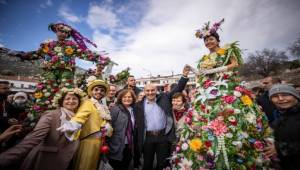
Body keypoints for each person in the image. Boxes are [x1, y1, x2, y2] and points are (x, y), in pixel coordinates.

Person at [172, 19, 272, 169]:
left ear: (217, 40)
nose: (208, 42)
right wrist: (192, 70)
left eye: (211, 39)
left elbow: (235, 64)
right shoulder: (204, 58)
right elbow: (201, 74)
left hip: (227, 87)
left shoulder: (227, 50)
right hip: (208, 90)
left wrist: (215, 70)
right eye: (206, 40)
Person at [14, 23, 111, 119]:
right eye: (61, 31)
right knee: (45, 93)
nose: (64, 34)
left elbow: (84, 53)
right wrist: (22, 55)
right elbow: (37, 54)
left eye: (66, 33)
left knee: (67, 93)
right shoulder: (48, 45)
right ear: (56, 31)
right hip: (49, 72)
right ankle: (38, 117)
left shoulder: (71, 45)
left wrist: (99, 58)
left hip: (66, 72)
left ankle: (69, 117)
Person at [0, 87, 85, 170]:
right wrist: (4, 159)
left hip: (68, 160)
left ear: (79, 101)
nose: (71, 101)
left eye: (74, 99)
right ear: (61, 101)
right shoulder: (51, 115)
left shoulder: (79, 118)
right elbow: (33, 138)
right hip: (47, 159)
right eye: (67, 99)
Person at [135, 66, 190, 170]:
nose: (150, 93)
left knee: (163, 164)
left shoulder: (164, 98)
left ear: (156, 91)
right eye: (147, 91)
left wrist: (184, 75)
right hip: (147, 138)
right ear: (144, 91)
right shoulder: (138, 105)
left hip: (163, 136)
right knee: (147, 164)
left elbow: (178, 88)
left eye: (152, 90)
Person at [57, 77, 113, 170]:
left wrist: (107, 127)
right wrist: (72, 124)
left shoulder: (103, 106)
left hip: (100, 143)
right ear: (91, 91)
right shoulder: (87, 103)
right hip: (88, 143)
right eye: (96, 89)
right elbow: (80, 117)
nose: (99, 92)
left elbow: (105, 122)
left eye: (102, 90)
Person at [264, 84, 300, 170]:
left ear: (295, 96)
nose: (280, 99)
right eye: (275, 96)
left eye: (285, 95)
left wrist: (279, 148)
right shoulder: (282, 115)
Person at [108, 89, 137, 170]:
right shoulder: (115, 109)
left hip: (130, 145)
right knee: (116, 166)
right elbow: (109, 126)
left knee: (126, 165)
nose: (127, 99)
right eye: (124, 97)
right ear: (120, 98)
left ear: (133, 98)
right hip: (116, 145)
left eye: (129, 97)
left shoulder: (134, 110)